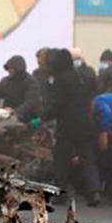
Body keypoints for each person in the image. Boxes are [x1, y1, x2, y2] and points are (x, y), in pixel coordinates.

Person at [43, 49, 101, 205]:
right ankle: (94, 192)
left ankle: (61, 193)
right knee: (88, 159)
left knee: (61, 159)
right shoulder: (80, 77)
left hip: (67, 125)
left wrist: (43, 116)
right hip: (85, 123)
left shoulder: (60, 80)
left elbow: (57, 104)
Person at [0, 55, 41, 123]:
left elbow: (31, 102)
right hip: (7, 115)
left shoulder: (30, 82)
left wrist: (15, 111)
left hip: (26, 117)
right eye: (8, 69)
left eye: (11, 69)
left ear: (18, 69)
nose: (9, 71)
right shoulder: (6, 81)